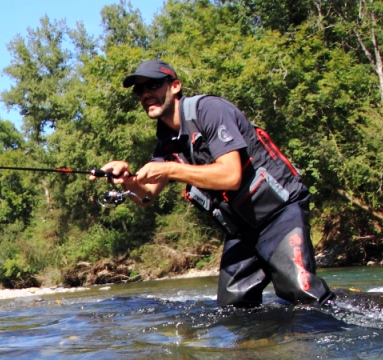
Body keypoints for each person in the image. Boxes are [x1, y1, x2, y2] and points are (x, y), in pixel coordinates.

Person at [90, 59, 334, 307]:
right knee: (233, 308)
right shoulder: (166, 142)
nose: (145, 94)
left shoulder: (210, 110)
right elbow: (146, 197)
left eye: (152, 85)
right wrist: (125, 180)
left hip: (279, 212)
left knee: (300, 291)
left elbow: (231, 175)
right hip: (242, 229)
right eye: (139, 90)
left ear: (175, 86)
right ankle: (259, 346)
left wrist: (171, 169)